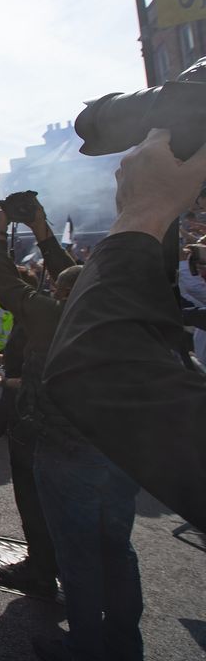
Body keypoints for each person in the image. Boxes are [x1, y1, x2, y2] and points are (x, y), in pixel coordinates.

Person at [44, 127, 206, 533]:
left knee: (92, 554)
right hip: (103, 457)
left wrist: (143, 213)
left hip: (82, 453)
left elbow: (93, 370)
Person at [0, 198, 78, 604]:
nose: (51, 285)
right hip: (91, 434)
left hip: (45, 429)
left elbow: (6, 285)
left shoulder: (52, 314)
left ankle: (45, 570)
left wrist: (1, 232)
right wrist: (40, 229)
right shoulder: (97, 309)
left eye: (57, 285)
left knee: (40, 503)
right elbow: (72, 274)